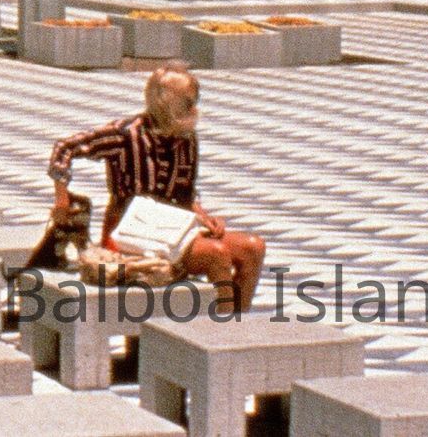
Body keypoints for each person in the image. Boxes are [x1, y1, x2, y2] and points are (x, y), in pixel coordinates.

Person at [48, 63, 267, 312]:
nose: (194, 109)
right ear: (167, 103)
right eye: (188, 102)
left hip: (172, 228)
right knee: (216, 254)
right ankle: (223, 329)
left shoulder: (186, 137)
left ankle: (236, 322)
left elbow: (185, 195)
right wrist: (62, 199)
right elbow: (64, 148)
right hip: (129, 232)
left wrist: (204, 217)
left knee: (253, 247)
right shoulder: (125, 134)